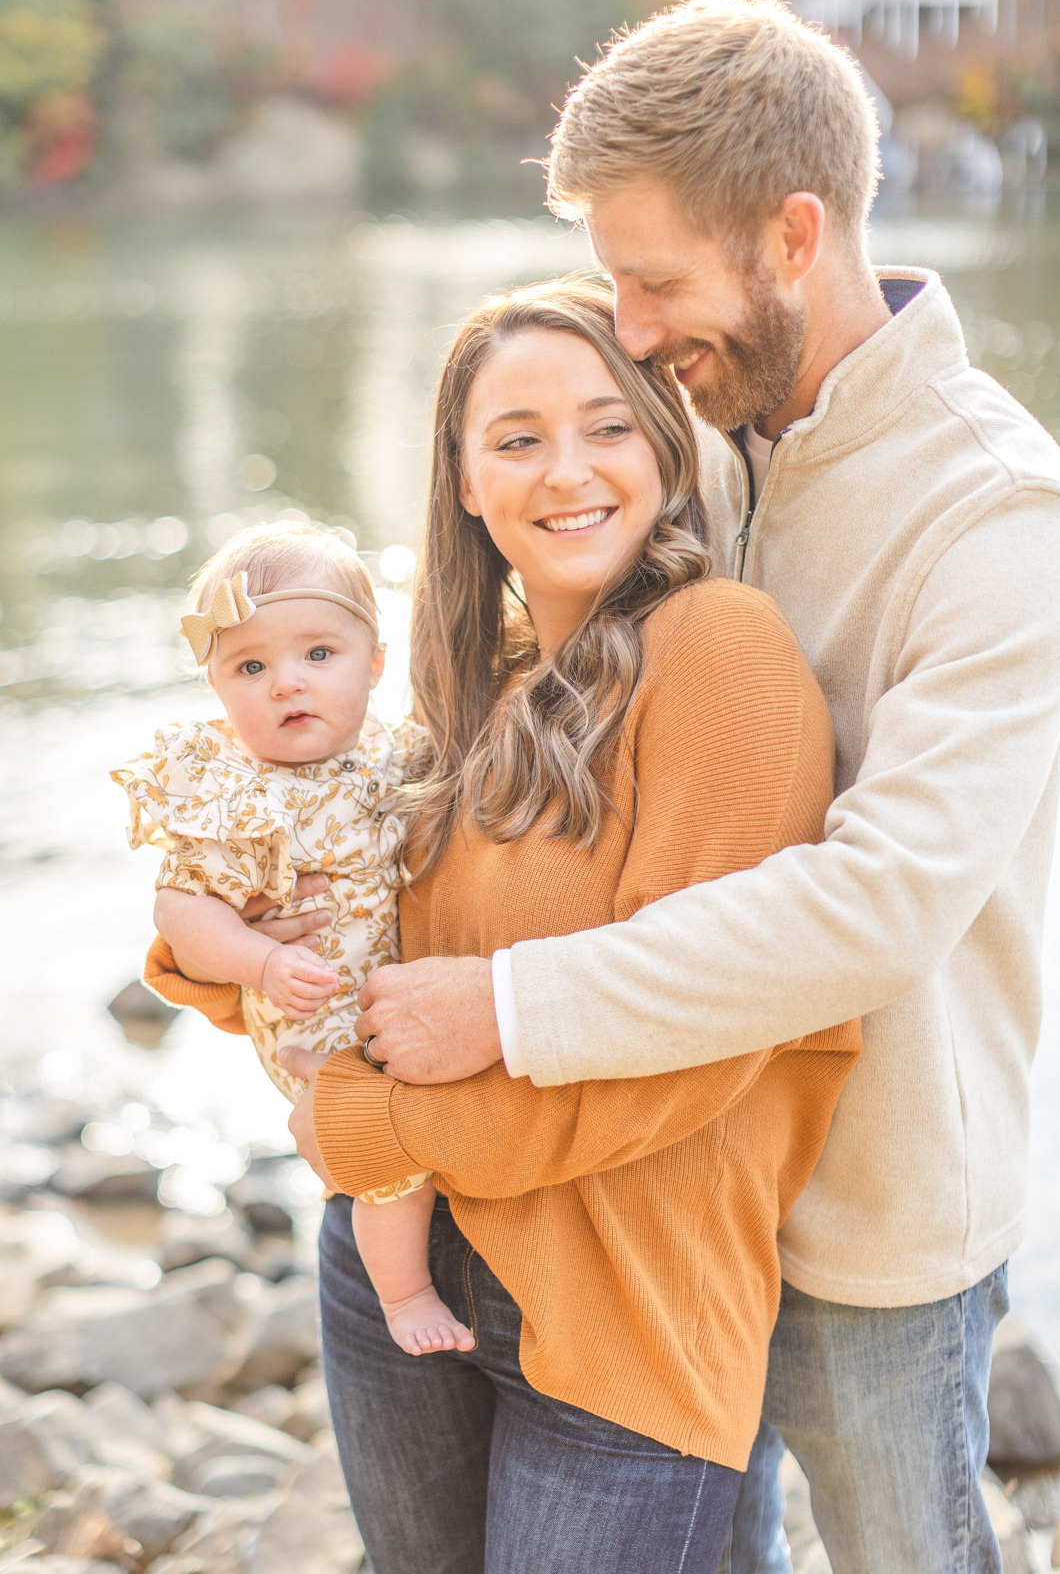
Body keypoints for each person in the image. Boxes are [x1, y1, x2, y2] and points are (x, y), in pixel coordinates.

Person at [341, 0, 1060, 1574]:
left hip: (870, 1216)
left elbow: (874, 906)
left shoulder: (997, 520)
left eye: (657, 282)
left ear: (791, 234)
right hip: (660, 1183)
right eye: (617, 282)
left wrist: (507, 1009)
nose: (638, 327)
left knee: (908, 1553)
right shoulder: (704, 441)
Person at [146, 279, 861, 1574]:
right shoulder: (479, 684)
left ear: (660, 444)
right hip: (404, 1262)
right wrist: (237, 945)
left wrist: (370, 1122)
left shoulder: (720, 650)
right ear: (465, 481)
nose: (565, 471)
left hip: (625, 1317)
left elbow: (699, 1040)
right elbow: (365, 944)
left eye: (605, 427)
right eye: (516, 438)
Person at [114, 521, 475, 1357]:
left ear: (376, 663)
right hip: (312, 1021)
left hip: (394, 1001)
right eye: (251, 667)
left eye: (319, 654)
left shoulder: (396, 753)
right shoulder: (234, 793)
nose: (287, 684)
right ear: (216, 685)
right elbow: (181, 911)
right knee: (385, 1150)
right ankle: (405, 1289)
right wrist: (262, 958)